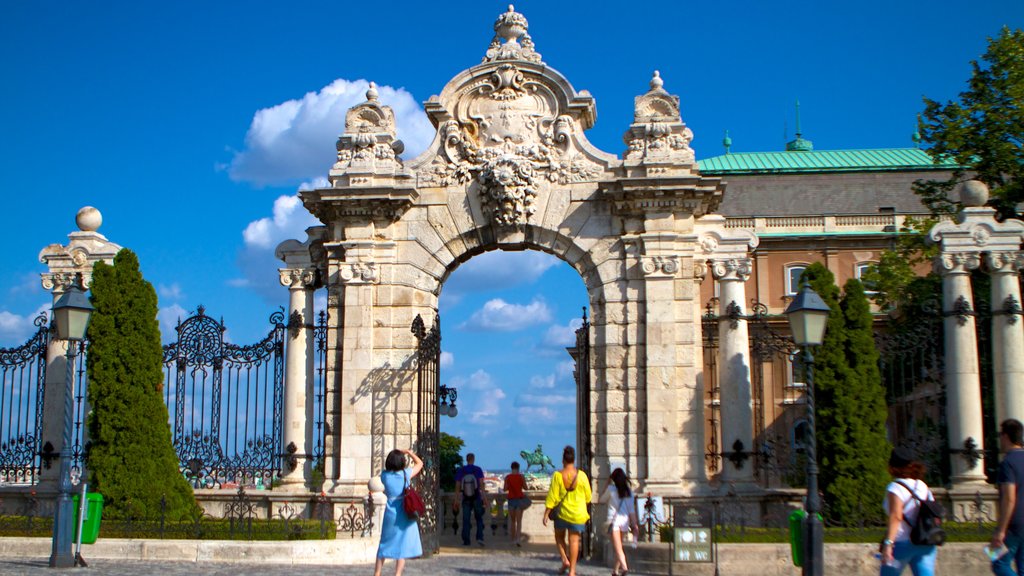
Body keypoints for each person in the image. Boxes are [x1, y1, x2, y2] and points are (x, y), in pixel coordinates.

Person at [879, 446, 937, 576]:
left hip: (902, 543)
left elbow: (896, 517)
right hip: (925, 542)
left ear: (892, 467)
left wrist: (888, 544)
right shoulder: (922, 485)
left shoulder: (895, 487)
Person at [543, 445, 592, 576]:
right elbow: (588, 496)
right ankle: (572, 571)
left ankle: (565, 559)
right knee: (574, 541)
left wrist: (546, 513)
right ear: (574, 460)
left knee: (559, 537)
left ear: (563, 460)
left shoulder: (558, 476)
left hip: (561, 514)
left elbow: (552, 496)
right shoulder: (582, 476)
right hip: (577, 514)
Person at [374, 448, 423, 576]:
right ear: (401, 462)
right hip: (404, 511)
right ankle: (397, 574)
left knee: (384, 542)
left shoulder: (384, 475)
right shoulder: (405, 474)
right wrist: (410, 453)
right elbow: (420, 464)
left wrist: (397, 452)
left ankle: (377, 572)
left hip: (390, 512)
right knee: (402, 545)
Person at [992, 418, 1024, 575]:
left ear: (1005, 436)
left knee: (998, 563)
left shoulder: (1007, 463)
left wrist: (1001, 530)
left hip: (1014, 523)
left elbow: (1009, 498)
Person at [599, 468, 639, 576]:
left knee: (618, 547)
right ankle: (615, 571)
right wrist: (634, 524)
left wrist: (607, 483)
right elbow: (631, 510)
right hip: (624, 521)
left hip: (614, 521)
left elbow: (601, 499)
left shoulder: (611, 489)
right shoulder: (629, 492)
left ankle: (624, 567)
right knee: (618, 546)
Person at [454, 452, 487, 546]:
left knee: (466, 519)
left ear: (466, 459)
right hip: (476, 497)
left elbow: (457, 486)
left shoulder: (462, 470)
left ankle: (466, 540)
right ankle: (480, 537)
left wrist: (456, 500)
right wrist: (484, 498)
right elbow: (481, 485)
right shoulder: (478, 470)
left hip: (466, 498)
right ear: (473, 459)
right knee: (479, 518)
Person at [505, 461, 528, 546]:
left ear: (511, 468)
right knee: (519, 521)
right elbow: (526, 487)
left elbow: (504, 489)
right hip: (519, 500)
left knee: (512, 521)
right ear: (518, 468)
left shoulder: (507, 477)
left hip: (511, 500)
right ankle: (518, 539)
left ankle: (512, 539)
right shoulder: (521, 477)